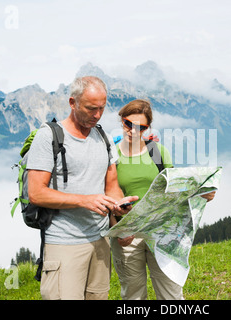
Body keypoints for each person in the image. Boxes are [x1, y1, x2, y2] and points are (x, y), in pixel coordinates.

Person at [26, 76, 138, 300]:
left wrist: (120, 209)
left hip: (100, 240)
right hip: (64, 243)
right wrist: (84, 200)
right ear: (72, 102)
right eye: (90, 108)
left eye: (102, 108)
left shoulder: (103, 138)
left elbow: (112, 186)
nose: (97, 115)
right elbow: (36, 193)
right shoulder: (49, 136)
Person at [110, 99, 215, 300]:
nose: (133, 130)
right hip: (127, 234)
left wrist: (200, 194)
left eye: (141, 127)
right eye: (128, 124)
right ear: (121, 121)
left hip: (162, 232)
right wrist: (118, 228)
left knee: (171, 295)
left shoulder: (157, 152)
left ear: (148, 127)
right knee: (133, 297)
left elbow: (174, 187)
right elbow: (106, 195)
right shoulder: (112, 155)